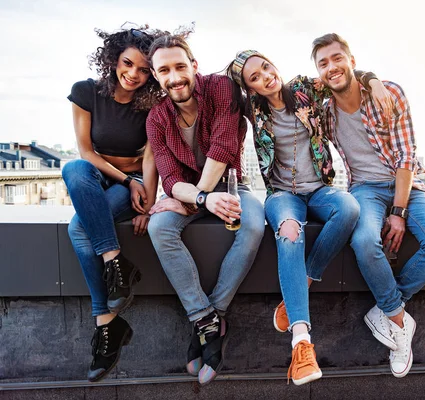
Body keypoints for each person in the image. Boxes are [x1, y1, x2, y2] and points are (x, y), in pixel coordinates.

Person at [226, 50, 392, 385]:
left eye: (266, 68)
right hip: (281, 195)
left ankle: (303, 282)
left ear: (274, 65)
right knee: (289, 233)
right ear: (250, 89)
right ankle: (302, 342)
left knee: (349, 208)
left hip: (319, 188)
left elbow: (341, 76)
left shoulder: (304, 88)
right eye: (254, 78)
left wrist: (372, 79)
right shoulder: (251, 109)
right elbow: (213, 93)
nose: (265, 77)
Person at [311, 33, 425, 378]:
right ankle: (398, 321)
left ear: (351, 59)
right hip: (364, 189)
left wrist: (399, 212)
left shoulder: (387, 93)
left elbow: (407, 155)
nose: (331, 67)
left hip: (406, 185)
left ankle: (387, 309)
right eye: (323, 63)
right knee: (364, 241)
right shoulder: (324, 111)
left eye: (337, 58)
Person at [145, 34, 265, 386]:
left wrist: (201, 196)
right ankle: (206, 319)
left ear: (194, 66)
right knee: (158, 228)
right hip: (190, 195)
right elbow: (168, 177)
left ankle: (215, 314)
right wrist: (199, 199)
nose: (175, 76)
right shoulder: (156, 118)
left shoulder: (222, 88)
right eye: (164, 70)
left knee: (253, 226)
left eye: (180, 66)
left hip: (228, 185)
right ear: (156, 76)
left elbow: (224, 145)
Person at [62, 24, 165, 382]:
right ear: (113, 58)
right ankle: (114, 261)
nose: (134, 75)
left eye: (143, 69)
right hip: (102, 178)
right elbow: (86, 153)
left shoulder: (153, 104)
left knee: (79, 227)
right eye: (128, 64)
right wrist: (125, 171)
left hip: (132, 185)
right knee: (73, 168)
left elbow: (149, 158)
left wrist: (148, 200)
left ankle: (106, 322)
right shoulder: (85, 92)